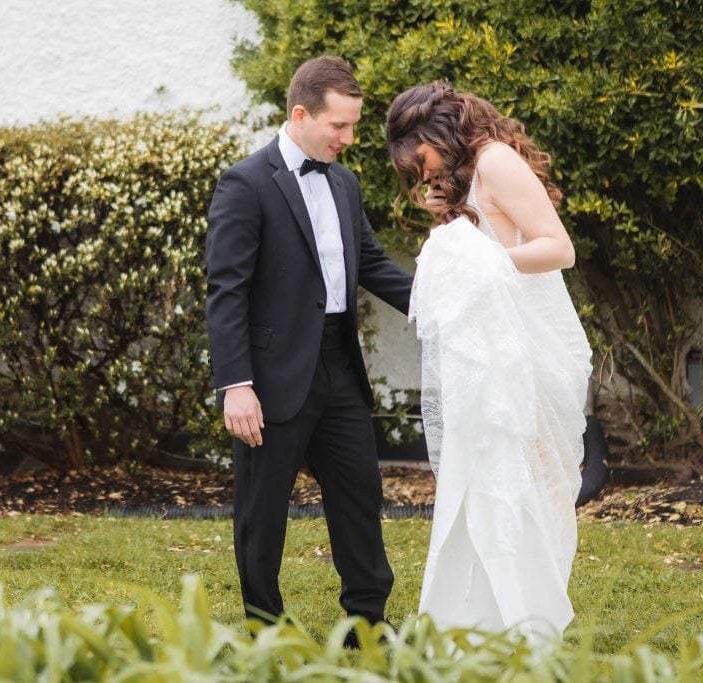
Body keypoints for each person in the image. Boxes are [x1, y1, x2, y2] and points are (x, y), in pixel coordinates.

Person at [205, 56, 413, 635]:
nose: (348, 139)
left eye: (352, 126)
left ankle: (367, 623)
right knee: (262, 510)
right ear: (300, 114)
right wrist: (236, 384)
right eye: (339, 127)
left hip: (338, 366)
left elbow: (368, 262)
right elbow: (227, 292)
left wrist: (436, 306)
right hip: (269, 377)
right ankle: (266, 627)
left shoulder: (344, 181)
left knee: (359, 496)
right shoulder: (245, 183)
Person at [385, 82, 592, 638]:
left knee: (529, 483)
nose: (421, 176)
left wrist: (486, 262)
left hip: (526, 350)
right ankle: (478, 619)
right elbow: (467, 259)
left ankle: (529, 618)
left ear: (436, 134)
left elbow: (558, 248)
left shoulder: (497, 163)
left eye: (420, 162)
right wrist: (442, 213)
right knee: (479, 482)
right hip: (483, 356)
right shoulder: (459, 178)